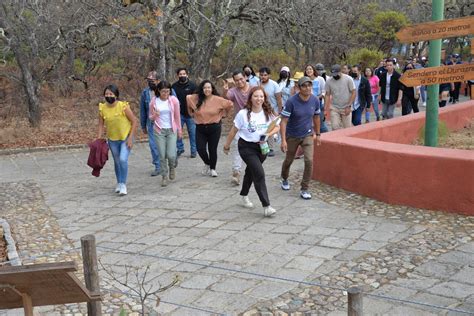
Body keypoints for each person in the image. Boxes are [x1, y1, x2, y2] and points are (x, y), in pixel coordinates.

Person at [223, 86, 280, 217]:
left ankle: (243, 195)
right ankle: (266, 206)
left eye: (261, 96)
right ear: (250, 98)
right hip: (246, 147)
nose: (258, 99)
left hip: (262, 147)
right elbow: (233, 131)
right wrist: (226, 145)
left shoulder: (268, 112)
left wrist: (268, 134)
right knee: (259, 173)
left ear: (264, 98)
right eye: (255, 96)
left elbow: (276, 126)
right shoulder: (243, 114)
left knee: (251, 171)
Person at [280, 76, 321, 200]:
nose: (307, 88)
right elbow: (283, 121)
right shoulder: (291, 102)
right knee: (289, 160)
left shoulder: (315, 100)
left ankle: (304, 188)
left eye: (309, 85)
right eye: (304, 86)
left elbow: (316, 117)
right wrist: (283, 140)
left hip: (307, 134)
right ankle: (284, 178)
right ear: (299, 88)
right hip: (292, 135)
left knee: (309, 160)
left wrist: (318, 134)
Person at [97, 84, 137, 196]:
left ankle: (123, 184)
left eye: (111, 94)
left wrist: (130, 138)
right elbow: (100, 124)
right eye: (106, 94)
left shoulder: (123, 106)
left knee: (123, 159)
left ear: (116, 95)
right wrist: (99, 138)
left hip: (125, 137)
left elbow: (134, 121)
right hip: (112, 139)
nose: (108, 96)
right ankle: (119, 182)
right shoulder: (102, 108)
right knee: (117, 161)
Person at [187, 80, 233, 177]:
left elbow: (229, 104)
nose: (207, 89)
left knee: (212, 149)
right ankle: (207, 163)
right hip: (200, 127)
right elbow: (188, 98)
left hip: (214, 127)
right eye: (204, 88)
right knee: (200, 149)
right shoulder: (196, 98)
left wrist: (226, 114)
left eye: (209, 87)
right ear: (202, 89)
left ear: (212, 89)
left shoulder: (218, 99)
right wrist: (190, 112)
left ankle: (213, 168)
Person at [149, 81, 182, 187]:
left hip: (171, 129)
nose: (166, 93)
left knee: (171, 154)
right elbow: (150, 117)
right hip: (159, 130)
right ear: (159, 90)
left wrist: (179, 130)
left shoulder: (174, 100)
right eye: (163, 91)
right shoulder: (154, 101)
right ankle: (164, 176)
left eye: (168, 91)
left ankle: (172, 167)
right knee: (162, 155)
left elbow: (177, 116)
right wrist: (155, 115)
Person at [222, 70, 252, 185]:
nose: (239, 82)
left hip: (253, 123)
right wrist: (224, 90)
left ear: (245, 77)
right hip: (239, 123)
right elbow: (225, 99)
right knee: (237, 147)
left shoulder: (253, 89)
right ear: (234, 82)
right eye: (236, 80)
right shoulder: (233, 91)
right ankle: (236, 172)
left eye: (241, 79)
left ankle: (252, 170)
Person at [139, 71, 161, 176]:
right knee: (153, 145)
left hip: (165, 123)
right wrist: (143, 125)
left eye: (152, 81)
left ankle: (168, 161)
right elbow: (143, 110)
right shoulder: (145, 93)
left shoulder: (166, 90)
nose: (150, 83)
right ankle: (158, 166)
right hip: (152, 123)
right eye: (148, 81)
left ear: (158, 81)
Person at [172, 67, 197, 158]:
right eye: (180, 74)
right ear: (178, 75)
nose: (182, 75)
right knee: (178, 132)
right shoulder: (174, 86)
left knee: (193, 133)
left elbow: (197, 98)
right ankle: (180, 148)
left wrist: (195, 110)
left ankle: (194, 151)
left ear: (187, 74)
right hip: (179, 114)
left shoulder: (193, 85)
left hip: (191, 114)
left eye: (184, 74)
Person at [259, 67, 282, 157]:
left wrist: (279, 111)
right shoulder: (257, 84)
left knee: (271, 128)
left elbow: (279, 99)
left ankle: (271, 148)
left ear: (269, 75)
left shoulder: (274, 85)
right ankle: (264, 147)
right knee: (262, 128)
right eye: (261, 75)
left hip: (273, 110)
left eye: (265, 75)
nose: (263, 77)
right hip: (261, 110)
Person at [325, 64, 356, 130]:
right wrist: (325, 109)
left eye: (336, 74)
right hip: (334, 107)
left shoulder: (348, 79)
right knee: (335, 127)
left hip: (346, 107)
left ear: (340, 71)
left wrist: (349, 106)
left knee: (347, 128)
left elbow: (353, 92)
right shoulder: (329, 81)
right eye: (333, 74)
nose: (335, 76)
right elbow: (327, 94)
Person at [304, 64, 328, 133]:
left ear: (313, 70)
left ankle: (327, 136)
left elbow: (324, 91)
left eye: (310, 69)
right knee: (310, 123)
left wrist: (319, 96)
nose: (309, 71)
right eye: (307, 69)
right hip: (308, 103)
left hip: (318, 102)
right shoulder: (305, 80)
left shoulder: (320, 79)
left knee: (320, 122)